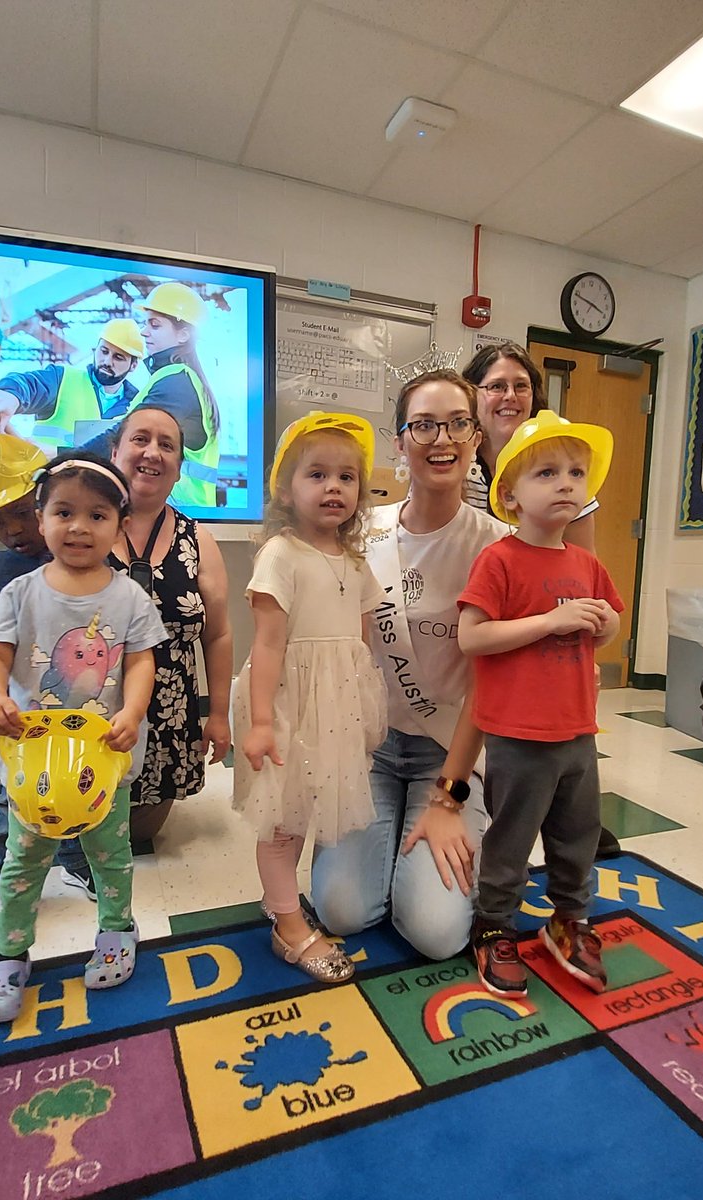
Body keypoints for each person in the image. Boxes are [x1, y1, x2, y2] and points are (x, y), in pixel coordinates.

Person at [311, 371, 504, 960]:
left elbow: (491, 686)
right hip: (368, 746)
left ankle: (444, 832)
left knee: (436, 933)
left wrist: (449, 798)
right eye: (423, 425)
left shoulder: (499, 546)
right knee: (341, 911)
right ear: (400, 441)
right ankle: (389, 842)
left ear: (475, 439)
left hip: (450, 753)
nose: (441, 439)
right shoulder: (361, 533)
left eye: (457, 424)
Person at [0, 451, 167, 1024]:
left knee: (110, 856)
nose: (79, 527)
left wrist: (133, 710)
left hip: (104, 760)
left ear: (119, 525)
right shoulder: (20, 593)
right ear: (41, 518)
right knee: (22, 861)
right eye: (64, 512)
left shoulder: (130, 597)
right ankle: (9, 955)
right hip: (32, 763)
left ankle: (116, 931)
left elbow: (141, 661)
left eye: (97, 515)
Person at [458, 413, 622, 998]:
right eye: (547, 473)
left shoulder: (586, 563)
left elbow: (610, 629)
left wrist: (604, 624)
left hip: (577, 730)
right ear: (509, 495)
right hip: (518, 734)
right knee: (511, 835)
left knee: (578, 834)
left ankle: (569, 919)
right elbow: (472, 637)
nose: (566, 484)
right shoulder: (499, 560)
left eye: (576, 473)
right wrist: (549, 621)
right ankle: (493, 924)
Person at [233, 412, 387, 982]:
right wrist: (262, 722)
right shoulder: (281, 553)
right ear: (286, 489)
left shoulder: (355, 560)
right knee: (283, 822)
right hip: (289, 708)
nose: (333, 487)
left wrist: (361, 708)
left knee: (311, 813)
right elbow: (268, 645)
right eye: (316, 475)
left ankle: (281, 901)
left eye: (347, 477)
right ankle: (289, 926)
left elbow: (361, 643)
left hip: (336, 711)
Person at [0, 434, 93, 939]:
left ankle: (75, 860)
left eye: (19, 513)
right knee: (12, 799)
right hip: (19, 712)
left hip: (80, 708)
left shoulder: (85, 560)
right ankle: (0, 885)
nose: (13, 530)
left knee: (76, 786)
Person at [106, 405, 232, 848]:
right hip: (94, 714)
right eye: (140, 439)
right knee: (84, 831)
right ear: (115, 451)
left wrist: (219, 715)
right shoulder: (83, 530)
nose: (152, 453)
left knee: (139, 839)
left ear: (178, 468)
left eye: (167, 445)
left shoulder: (199, 541)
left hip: (170, 717)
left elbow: (218, 634)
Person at [461, 343, 596, 552]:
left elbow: (583, 562)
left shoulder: (565, 466)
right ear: (471, 394)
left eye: (521, 386)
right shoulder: (456, 464)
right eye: (497, 386)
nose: (510, 396)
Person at [99, 282, 221, 509]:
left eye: (154, 325)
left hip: (177, 511)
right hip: (174, 510)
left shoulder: (176, 383)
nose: (143, 331)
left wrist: (65, 460)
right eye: (146, 323)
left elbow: (122, 438)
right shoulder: (175, 377)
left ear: (183, 334)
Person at [0, 318, 148, 453]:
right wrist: (13, 397)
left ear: (133, 365)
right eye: (104, 351)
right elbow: (29, 384)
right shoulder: (62, 379)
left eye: (118, 357)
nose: (107, 361)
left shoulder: (138, 406)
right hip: (46, 482)